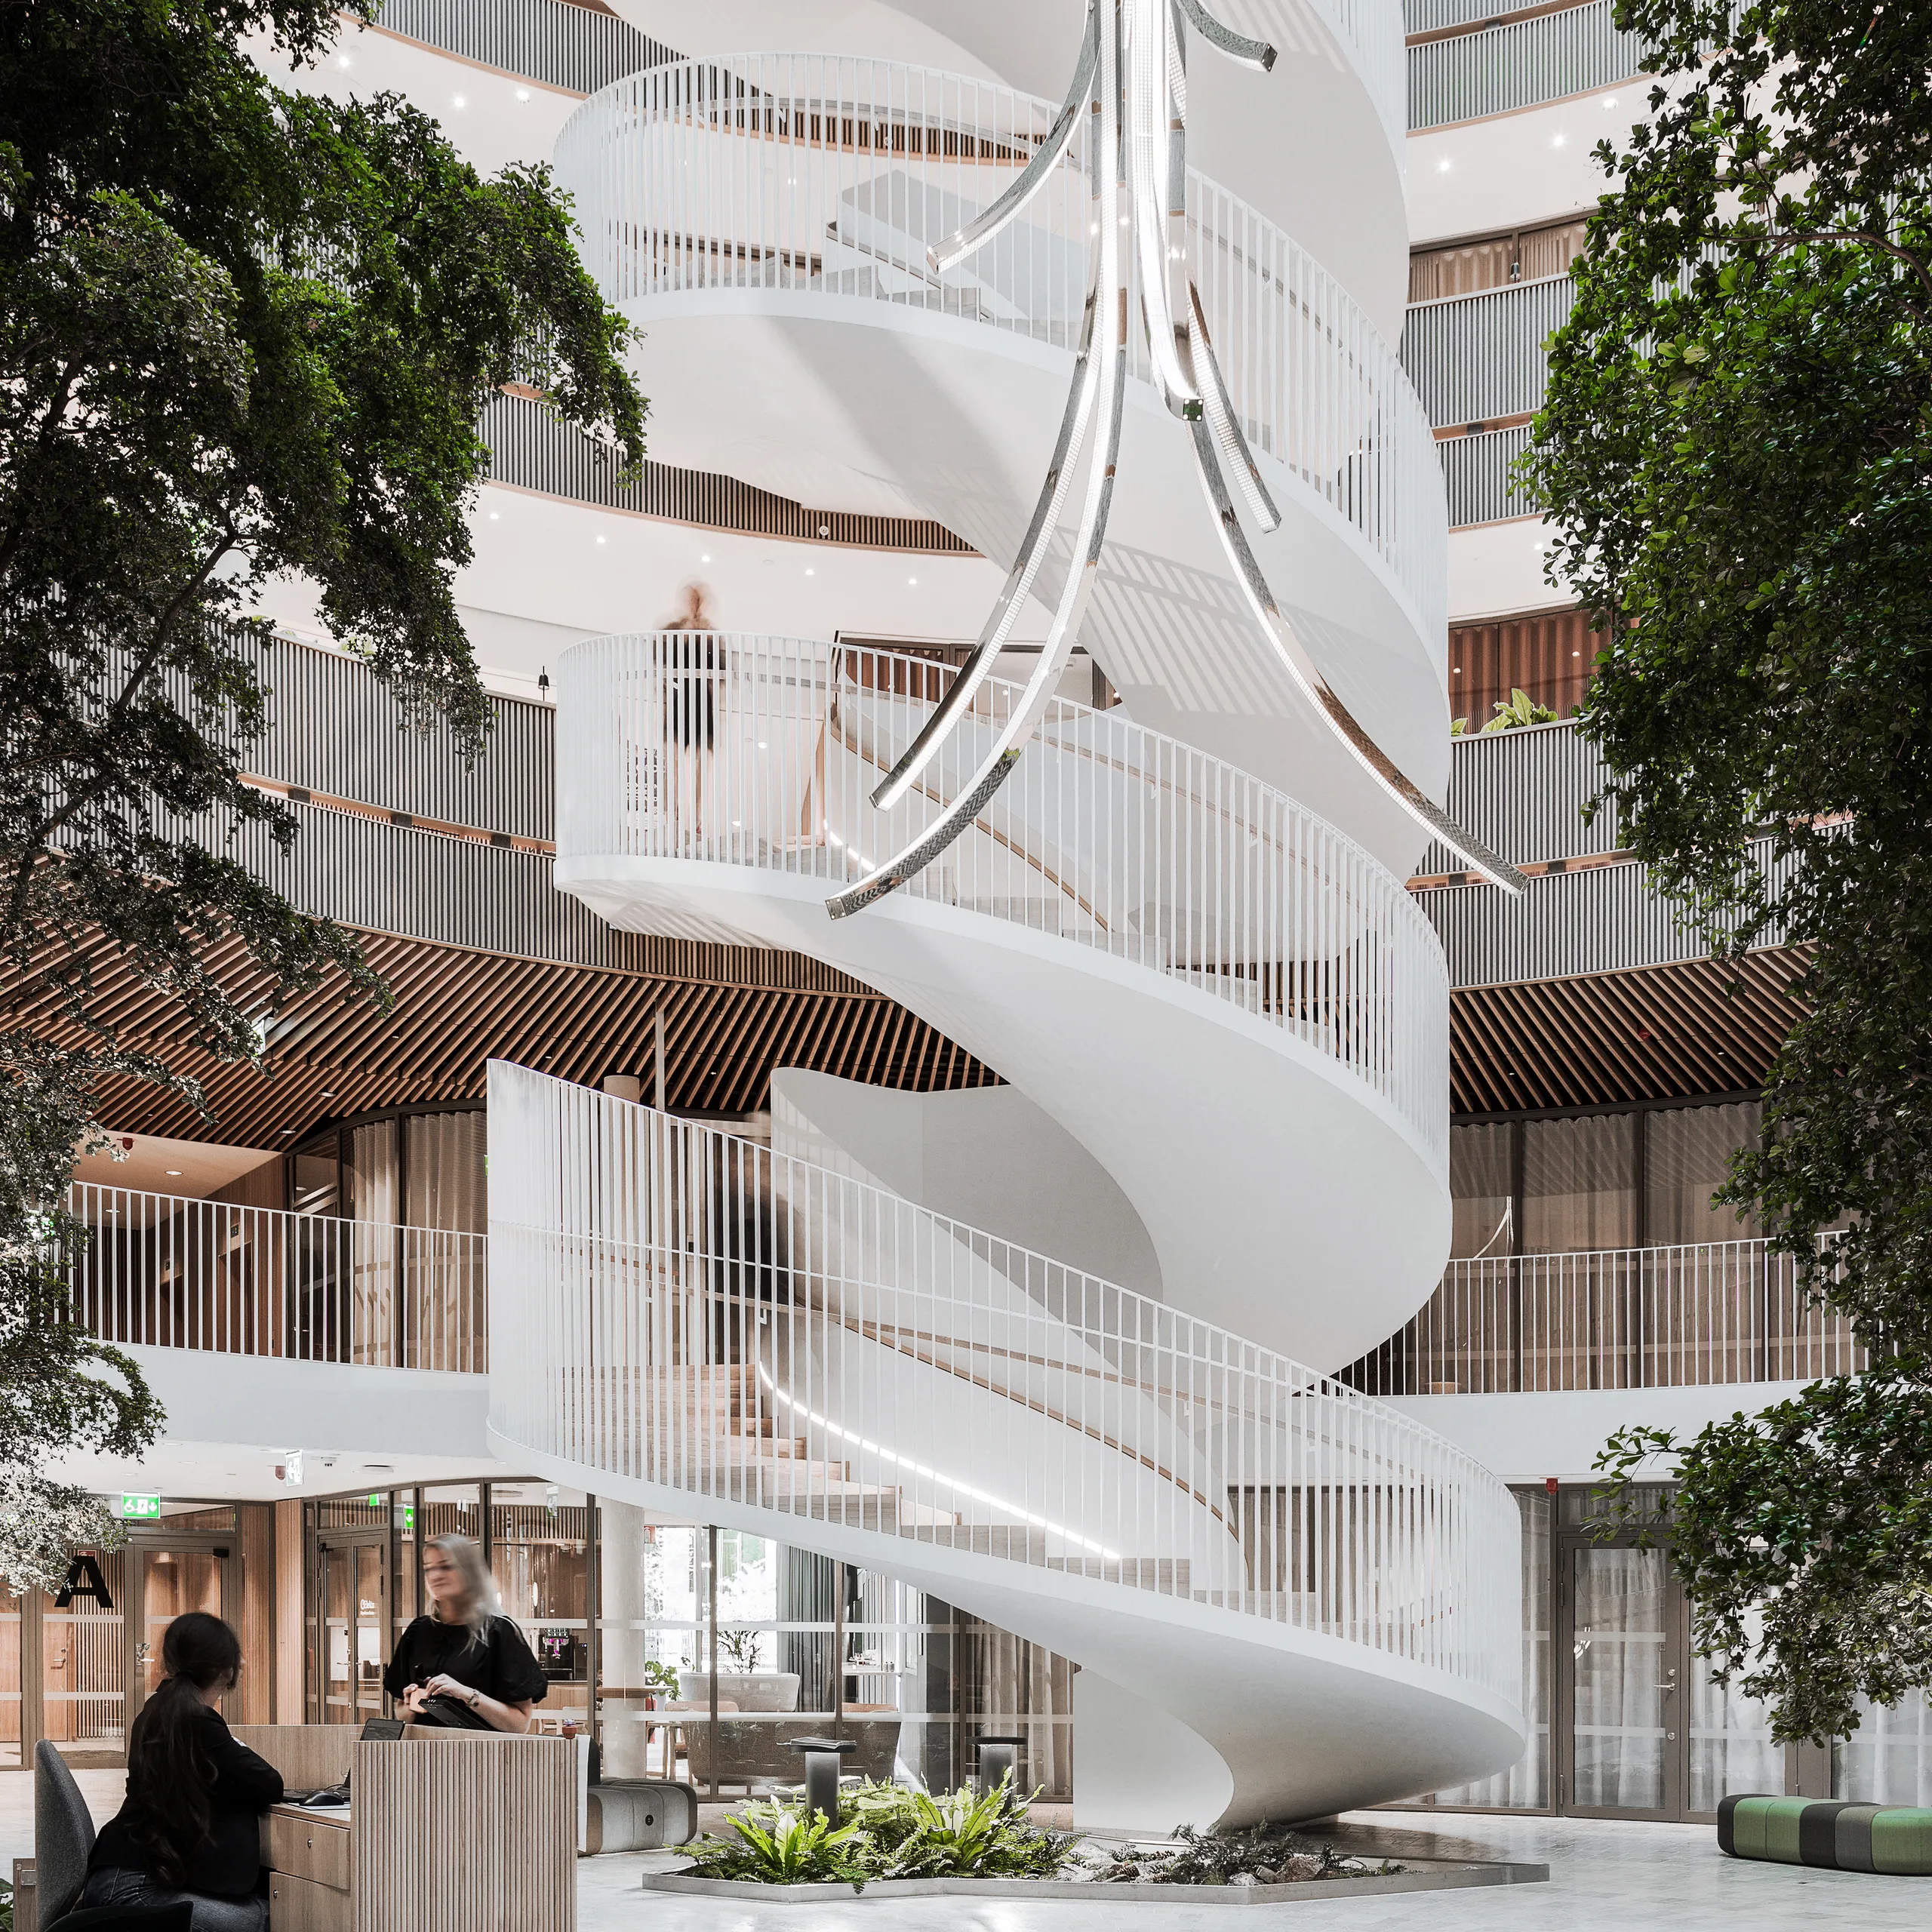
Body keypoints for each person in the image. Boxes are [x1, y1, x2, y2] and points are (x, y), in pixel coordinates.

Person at [80, 1611, 282, 1932]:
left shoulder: (158, 1710)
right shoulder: (198, 1721)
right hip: (133, 1890)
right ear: (226, 1670)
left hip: (122, 1878)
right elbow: (271, 1784)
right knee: (277, 1915)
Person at [383, 1534, 547, 1732]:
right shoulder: (418, 1631)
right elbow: (402, 1714)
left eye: (446, 1566)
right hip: (424, 1756)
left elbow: (519, 1725)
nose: (435, 1576)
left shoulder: (499, 1633)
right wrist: (412, 1705)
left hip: (481, 1757)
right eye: (429, 1568)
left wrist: (465, 1694)